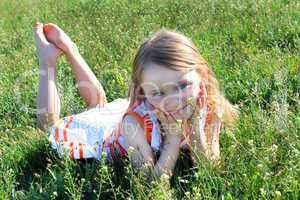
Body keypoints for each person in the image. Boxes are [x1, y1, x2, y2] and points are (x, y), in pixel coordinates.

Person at [33, 22, 239, 179]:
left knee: (99, 106)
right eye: (158, 92)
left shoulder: (209, 106)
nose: (173, 101)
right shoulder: (134, 123)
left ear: (201, 75)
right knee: (49, 126)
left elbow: (210, 168)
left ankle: (71, 50)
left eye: (182, 85)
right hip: (106, 137)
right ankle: (47, 61)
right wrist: (172, 143)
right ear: (144, 92)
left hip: (128, 116)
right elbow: (150, 180)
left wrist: (195, 127)